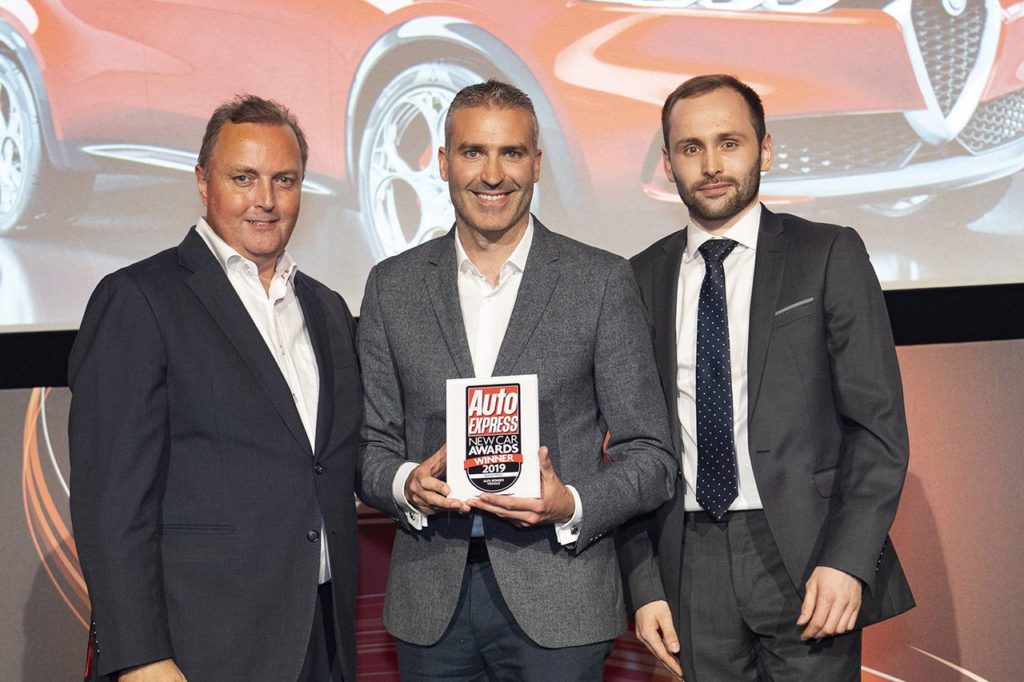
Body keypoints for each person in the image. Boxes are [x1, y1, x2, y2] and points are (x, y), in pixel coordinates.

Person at [356, 79, 677, 681]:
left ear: (536, 163)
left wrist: (572, 503)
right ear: (444, 162)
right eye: (473, 152)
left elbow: (651, 454)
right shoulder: (391, 287)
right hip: (431, 602)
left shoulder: (600, 282)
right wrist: (405, 484)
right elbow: (371, 445)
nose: (492, 174)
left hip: (563, 598)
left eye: (511, 153)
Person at [617, 74, 915, 680]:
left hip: (810, 553)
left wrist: (848, 559)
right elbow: (630, 447)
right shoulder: (638, 278)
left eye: (729, 142)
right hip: (689, 558)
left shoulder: (827, 253)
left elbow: (878, 427)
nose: (711, 165)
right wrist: (644, 584)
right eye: (691, 148)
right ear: (668, 164)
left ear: (766, 149)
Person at [68, 95, 361, 682]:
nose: (265, 199)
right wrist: (140, 655)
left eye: (284, 180)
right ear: (203, 181)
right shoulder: (139, 299)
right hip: (200, 648)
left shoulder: (327, 307)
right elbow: (111, 503)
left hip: (320, 637)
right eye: (243, 178)